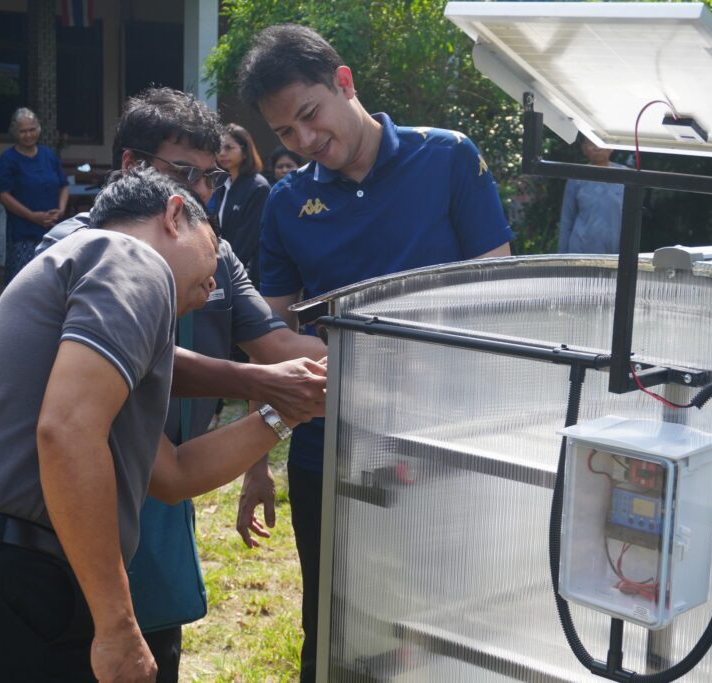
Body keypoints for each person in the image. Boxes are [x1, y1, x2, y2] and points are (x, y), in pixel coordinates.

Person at [0, 165, 319, 683]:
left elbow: (174, 474)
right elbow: (67, 432)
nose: (212, 285)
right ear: (174, 215)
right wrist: (118, 625)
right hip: (9, 574)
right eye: (213, 252)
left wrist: (284, 412)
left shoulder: (84, 302)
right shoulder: (128, 257)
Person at [235, 24, 514, 681]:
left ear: (344, 82)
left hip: (446, 440)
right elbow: (267, 339)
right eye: (285, 133)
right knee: (334, 624)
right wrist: (255, 460)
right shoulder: (287, 203)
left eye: (310, 115)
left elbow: (500, 300)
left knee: (449, 622)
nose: (305, 140)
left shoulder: (447, 159)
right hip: (330, 447)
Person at [41, 86, 328, 682]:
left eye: (212, 176)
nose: (200, 192)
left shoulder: (215, 257)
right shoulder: (78, 248)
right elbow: (141, 358)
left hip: (167, 487)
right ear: (131, 166)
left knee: (154, 649)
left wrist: (380, 358)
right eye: (183, 173)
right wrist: (261, 382)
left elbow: (279, 347)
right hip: (81, 492)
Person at [0, 107, 69, 283]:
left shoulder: (49, 155)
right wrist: (32, 216)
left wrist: (61, 210)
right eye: (23, 131)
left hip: (52, 230)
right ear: (15, 132)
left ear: (39, 129)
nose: (28, 135)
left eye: (32, 129)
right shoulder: (8, 159)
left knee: (52, 281)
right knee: (23, 281)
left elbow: (64, 185)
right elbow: (2, 195)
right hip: (23, 232)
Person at [211, 124, 271, 288]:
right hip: (222, 267)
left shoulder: (258, 187)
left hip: (245, 274)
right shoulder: (222, 182)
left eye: (229, 148)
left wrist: (224, 271)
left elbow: (248, 239)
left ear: (245, 152)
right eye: (219, 148)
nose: (222, 153)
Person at [558, 137, 627, 254]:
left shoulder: (625, 175)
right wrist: (562, 256)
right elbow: (567, 219)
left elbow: (632, 218)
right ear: (584, 149)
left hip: (614, 250)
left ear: (612, 147)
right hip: (581, 248)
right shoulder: (576, 176)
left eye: (601, 142)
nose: (597, 147)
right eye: (591, 143)